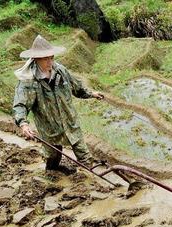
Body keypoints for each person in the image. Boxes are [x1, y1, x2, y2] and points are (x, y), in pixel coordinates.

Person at [12, 35, 104, 174]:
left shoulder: (60, 71)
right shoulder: (29, 81)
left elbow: (77, 88)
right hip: (49, 129)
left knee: (85, 157)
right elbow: (20, 105)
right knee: (53, 158)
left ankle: (88, 183)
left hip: (70, 123)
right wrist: (23, 124)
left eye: (51, 57)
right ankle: (52, 176)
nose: (50, 62)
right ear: (36, 59)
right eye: (45, 59)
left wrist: (91, 94)